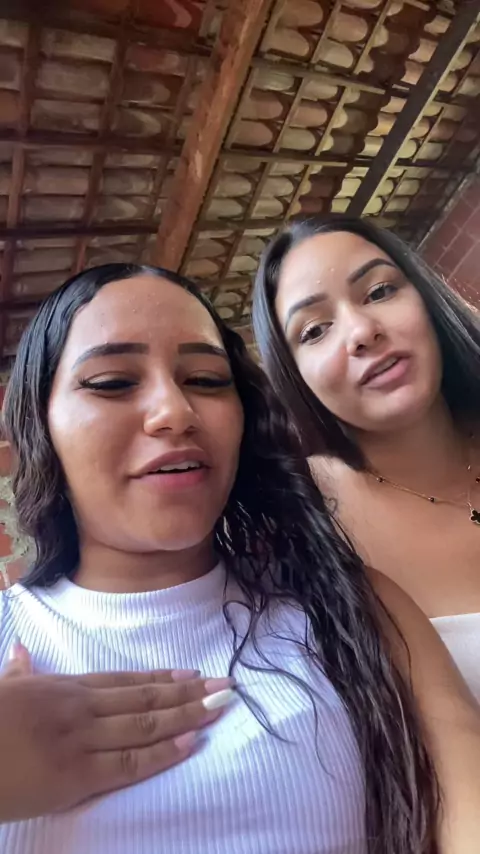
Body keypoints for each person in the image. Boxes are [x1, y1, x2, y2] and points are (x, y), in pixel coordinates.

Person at [0, 263, 479, 854]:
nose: (175, 411)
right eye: (112, 382)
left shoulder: (353, 607)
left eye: (206, 379)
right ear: (38, 423)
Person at [253, 215, 480, 702]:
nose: (361, 331)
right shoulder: (302, 526)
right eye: (315, 330)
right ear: (294, 376)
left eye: (379, 292)